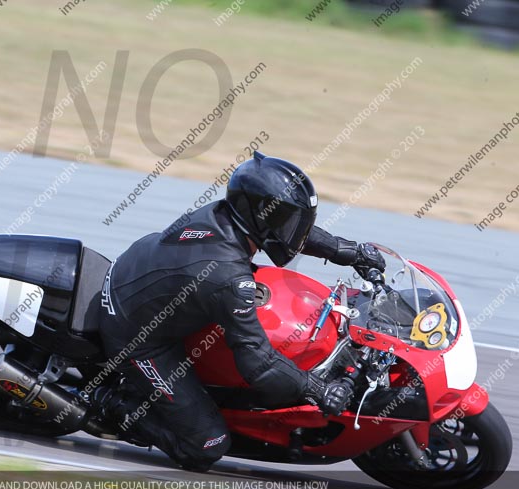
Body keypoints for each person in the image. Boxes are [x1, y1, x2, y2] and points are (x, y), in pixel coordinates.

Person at [96, 152, 386, 472]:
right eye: (286, 219)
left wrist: (350, 252)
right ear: (260, 214)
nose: (294, 229)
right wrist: (318, 390)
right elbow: (257, 364)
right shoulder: (228, 275)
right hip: (134, 333)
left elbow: (291, 232)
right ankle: (111, 404)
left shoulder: (226, 215)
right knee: (207, 444)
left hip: (142, 278)